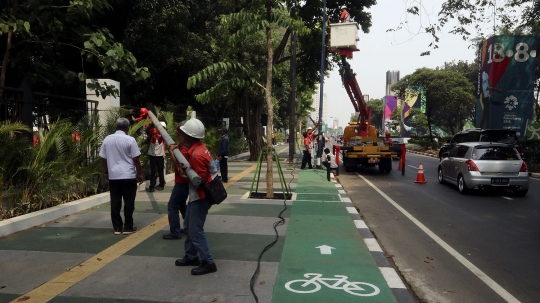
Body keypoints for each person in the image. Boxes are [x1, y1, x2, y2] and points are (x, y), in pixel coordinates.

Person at [174, 118, 218, 275]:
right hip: (198, 195)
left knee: (195, 230)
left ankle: (208, 262)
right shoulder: (200, 148)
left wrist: (183, 173)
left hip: (201, 195)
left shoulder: (196, 154)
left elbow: (200, 179)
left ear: (187, 135)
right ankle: (192, 256)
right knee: (188, 226)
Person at [99, 118, 144, 235]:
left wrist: (106, 172)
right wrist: (140, 173)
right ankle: (128, 226)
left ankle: (117, 227)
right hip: (128, 176)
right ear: (127, 128)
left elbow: (104, 158)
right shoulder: (130, 140)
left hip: (114, 176)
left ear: (115, 127)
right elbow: (136, 158)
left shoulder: (107, 140)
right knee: (129, 202)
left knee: (115, 202)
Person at [163, 123, 190, 240]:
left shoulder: (184, 147)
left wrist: (171, 151)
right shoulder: (184, 145)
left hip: (182, 182)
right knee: (182, 205)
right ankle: (188, 228)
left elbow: (179, 164)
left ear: (179, 134)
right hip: (184, 182)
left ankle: (175, 232)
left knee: (173, 206)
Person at [146, 123, 166, 192]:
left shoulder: (163, 135)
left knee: (160, 171)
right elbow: (147, 131)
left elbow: (165, 135)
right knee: (152, 171)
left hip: (160, 155)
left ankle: (161, 184)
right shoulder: (152, 133)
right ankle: (152, 186)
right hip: (152, 155)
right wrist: (151, 124)